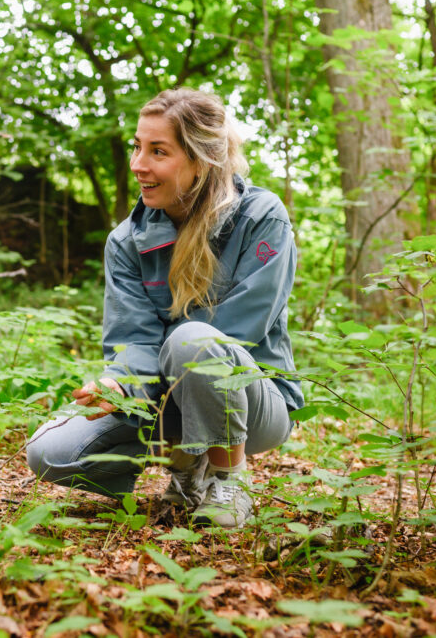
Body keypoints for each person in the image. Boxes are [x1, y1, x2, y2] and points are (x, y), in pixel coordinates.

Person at [27, 89, 304, 527]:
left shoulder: (261, 216)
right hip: (164, 401)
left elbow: (240, 331)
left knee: (191, 340)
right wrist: (118, 385)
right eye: (137, 146)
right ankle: (186, 468)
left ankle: (229, 478)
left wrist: (170, 361)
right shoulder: (126, 240)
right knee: (50, 451)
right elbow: (132, 338)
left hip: (254, 402)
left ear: (202, 159)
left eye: (158, 151)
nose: (139, 164)